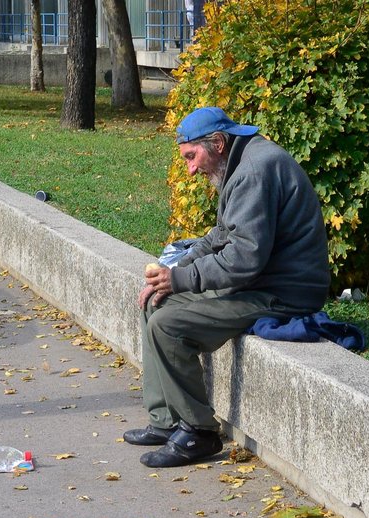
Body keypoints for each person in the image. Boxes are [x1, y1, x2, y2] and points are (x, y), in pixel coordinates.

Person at [124, 107, 331, 468]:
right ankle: (167, 420)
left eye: (192, 157)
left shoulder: (253, 170)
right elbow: (224, 234)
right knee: (154, 303)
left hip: (282, 293)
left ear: (217, 143)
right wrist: (175, 269)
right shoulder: (242, 160)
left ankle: (199, 432)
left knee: (168, 325)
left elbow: (243, 258)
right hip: (258, 283)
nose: (190, 169)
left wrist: (180, 279)